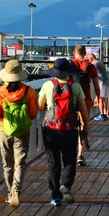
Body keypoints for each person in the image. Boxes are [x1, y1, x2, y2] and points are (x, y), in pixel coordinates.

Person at [39, 58, 89, 206]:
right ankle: (66, 185)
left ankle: (55, 196)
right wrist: (85, 127)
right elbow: (83, 109)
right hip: (70, 128)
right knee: (69, 160)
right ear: (68, 72)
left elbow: (40, 106)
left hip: (51, 129)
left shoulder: (47, 85)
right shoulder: (75, 86)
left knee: (52, 162)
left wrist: (50, 107)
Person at [0, 59, 39, 207]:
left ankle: (9, 193)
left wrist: (4, 121)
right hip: (23, 131)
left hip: (3, 130)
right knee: (20, 163)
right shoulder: (28, 91)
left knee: (8, 164)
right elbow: (33, 113)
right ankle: (16, 190)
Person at [70, 45, 99, 167]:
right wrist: (98, 97)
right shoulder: (91, 67)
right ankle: (80, 155)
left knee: (70, 126)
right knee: (83, 127)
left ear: (74, 52)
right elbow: (96, 85)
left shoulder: (70, 65)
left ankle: (70, 153)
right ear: (85, 53)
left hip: (70, 99)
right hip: (85, 99)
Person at [88, 53, 109, 122]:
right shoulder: (100, 61)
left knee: (100, 99)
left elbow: (87, 69)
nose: (88, 61)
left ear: (91, 58)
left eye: (88, 59)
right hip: (106, 82)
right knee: (103, 99)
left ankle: (102, 115)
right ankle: (106, 114)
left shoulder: (95, 64)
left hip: (101, 83)